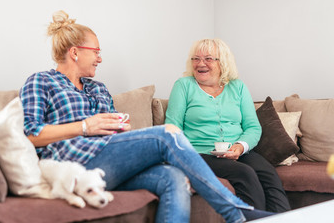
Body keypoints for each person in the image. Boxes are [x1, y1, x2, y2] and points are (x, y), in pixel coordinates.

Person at [20, 11, 274, 223]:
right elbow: (31, 134)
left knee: (172, 177)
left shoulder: (97, 88)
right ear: (75, 52)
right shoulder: (41, 81)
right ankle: (237, 213)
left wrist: (120, 129)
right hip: (75, 165)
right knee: (167, 134)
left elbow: (110, 134)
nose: (100, 58)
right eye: (95, 51)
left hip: (109, 164)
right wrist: (85, 126)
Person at [165, 38, 291, 213]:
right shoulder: (183, 86)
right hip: (201, 153)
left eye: (208, 58)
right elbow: (172, 127)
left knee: (269, 174)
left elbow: (253, 127)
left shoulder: (238, 87)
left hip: (237, 151)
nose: (200, 63)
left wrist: (240, 146)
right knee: (245, 174)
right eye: (196, 59)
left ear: (222, 62)